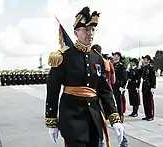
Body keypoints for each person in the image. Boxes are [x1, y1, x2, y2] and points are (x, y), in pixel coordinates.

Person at [45, 6, 125, 147]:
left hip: (93, 119)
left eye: (93, 30)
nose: (90, 33)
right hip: (72, 119)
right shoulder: (63, 57)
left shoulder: (98, 59)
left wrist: (115, 118)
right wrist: (51, 120)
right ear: (76, 33)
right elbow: (53, 89)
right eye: (86, 30)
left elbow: (104, 91)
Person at [112, 52, 127, 122]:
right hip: (113, 85)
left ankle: (121, 115)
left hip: (118, 86)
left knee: (119, 101)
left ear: (118, 57)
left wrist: (122, 86)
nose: (114, 57)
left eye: (115, 56)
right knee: (113, 101)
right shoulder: (112, 65)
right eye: (114, 56)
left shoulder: (121, 66)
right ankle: (115, 115)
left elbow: (124, 77)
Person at [140, 55, 156, 121]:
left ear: (149, 60)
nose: (144, 60)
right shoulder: (143, 68)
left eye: (145, 59)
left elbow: (153, 78)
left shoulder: (150, 68)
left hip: (149, 86)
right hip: (144, 85)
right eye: (144, 59)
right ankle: (146, 115)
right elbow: (139, 75)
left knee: (149, 101)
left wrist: (153, 86)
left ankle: (150, 115)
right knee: (145, 101)